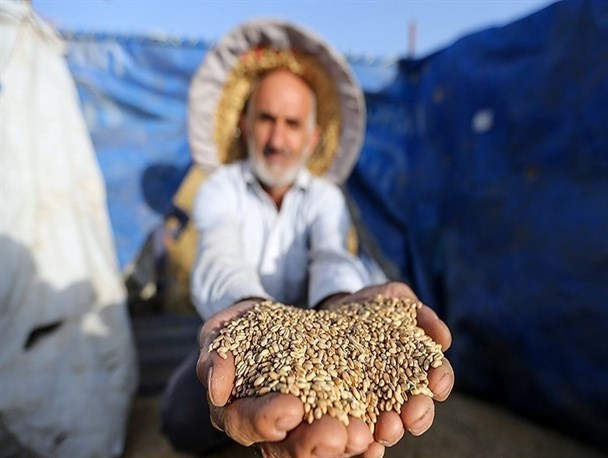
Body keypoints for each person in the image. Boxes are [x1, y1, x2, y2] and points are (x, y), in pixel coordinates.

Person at [161, 19, 454, 458]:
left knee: (333, 424)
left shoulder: (323, 199)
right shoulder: (221, 188)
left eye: (292, 124)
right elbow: (218, 254)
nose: (277, 139)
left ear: (312, 137)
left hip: (328, 336)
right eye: (266, 119)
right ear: (245, 123)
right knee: (181, 418)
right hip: (240, 330)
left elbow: (332, 254)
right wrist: (251, 312)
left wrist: (341, 299)